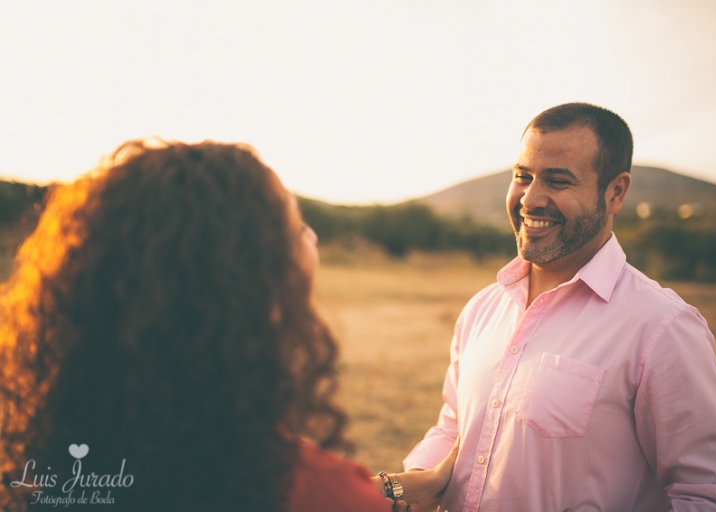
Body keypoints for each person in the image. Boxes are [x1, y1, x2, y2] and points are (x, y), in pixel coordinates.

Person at [0, 140, 454, 511]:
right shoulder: (310, 490)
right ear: (255, 290)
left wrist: (398, 488)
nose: (312, 237)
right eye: (297, 230)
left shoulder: (52, 472)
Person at [400, 103, 716, 511]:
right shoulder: (481, 309)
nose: (530, 199)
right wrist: (413, 482)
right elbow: (455, 424)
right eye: (522, 176)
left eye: (557, 181)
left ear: (615, 192)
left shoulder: (663, 328)